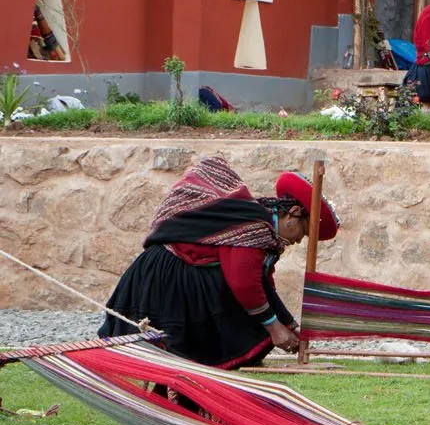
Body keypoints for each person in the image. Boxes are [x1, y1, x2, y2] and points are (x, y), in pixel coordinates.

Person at [98, 156, 339, 369]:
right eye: (303, 231)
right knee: (233, 307)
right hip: (166, 281)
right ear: (294, 212)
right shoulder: (253, 228)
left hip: (169, 276)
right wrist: (274, 328)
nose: (298, 240)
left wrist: (289, 323)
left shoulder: (256, 227)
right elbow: (244, 284)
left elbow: (262, 283)